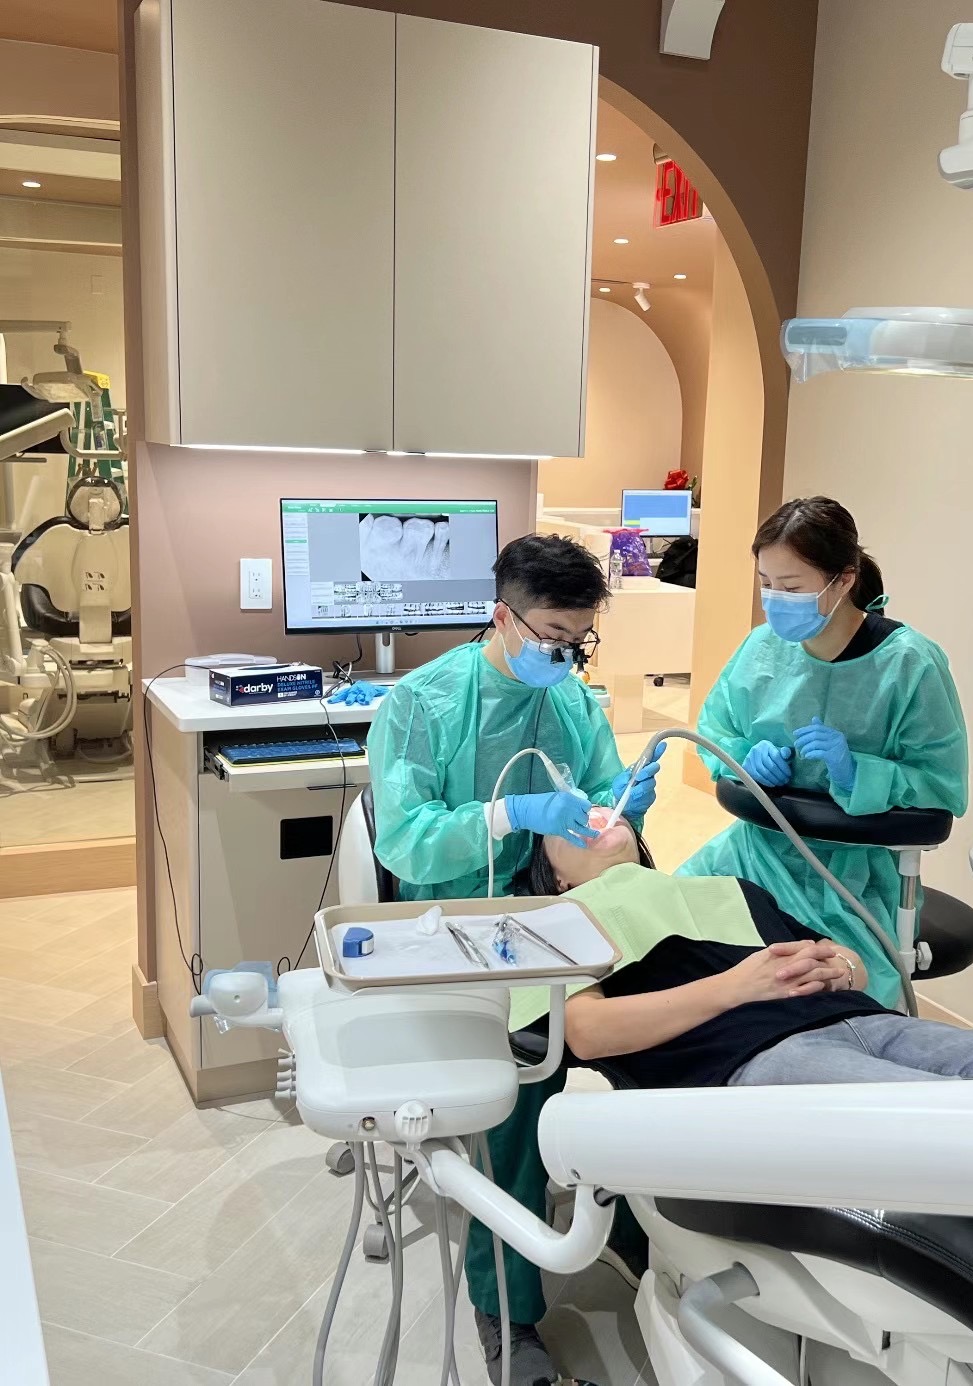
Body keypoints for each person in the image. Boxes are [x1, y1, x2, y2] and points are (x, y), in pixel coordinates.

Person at [520, 824, 973, 1324]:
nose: (594, 813)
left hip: (864, 1021)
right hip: (756, 1062)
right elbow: (587, 1031)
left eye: (602, 806)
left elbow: (845, 959)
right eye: (568, 821)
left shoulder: (723, 889)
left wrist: (844, 967)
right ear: (554, 877)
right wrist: (735, 987)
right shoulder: (560, 921)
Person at [366, 532, 661, 1386]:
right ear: (502, 617)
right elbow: (407, 844)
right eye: (551, 638)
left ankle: (635, 1224)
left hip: (557, 908)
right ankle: (505, 1306)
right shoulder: (421, 705)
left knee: (658, 1038)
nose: (565, 658)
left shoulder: (570, 700)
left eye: (579, 641)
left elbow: (599, 807)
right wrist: (507, 815)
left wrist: (621, 809)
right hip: (453, 919)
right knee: (530, 1073)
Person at [678, 497, 968, 1006]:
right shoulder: (761, 648)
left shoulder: (910, 666)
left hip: (852, 879)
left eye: (791, 588)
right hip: (754, 850)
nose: (775, 600)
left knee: (816, 993)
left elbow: (942, 786)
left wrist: (859, 774)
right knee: (666, 941)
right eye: (766, 584)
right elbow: (717, 729)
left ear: (843, 580)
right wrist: (746, 758)